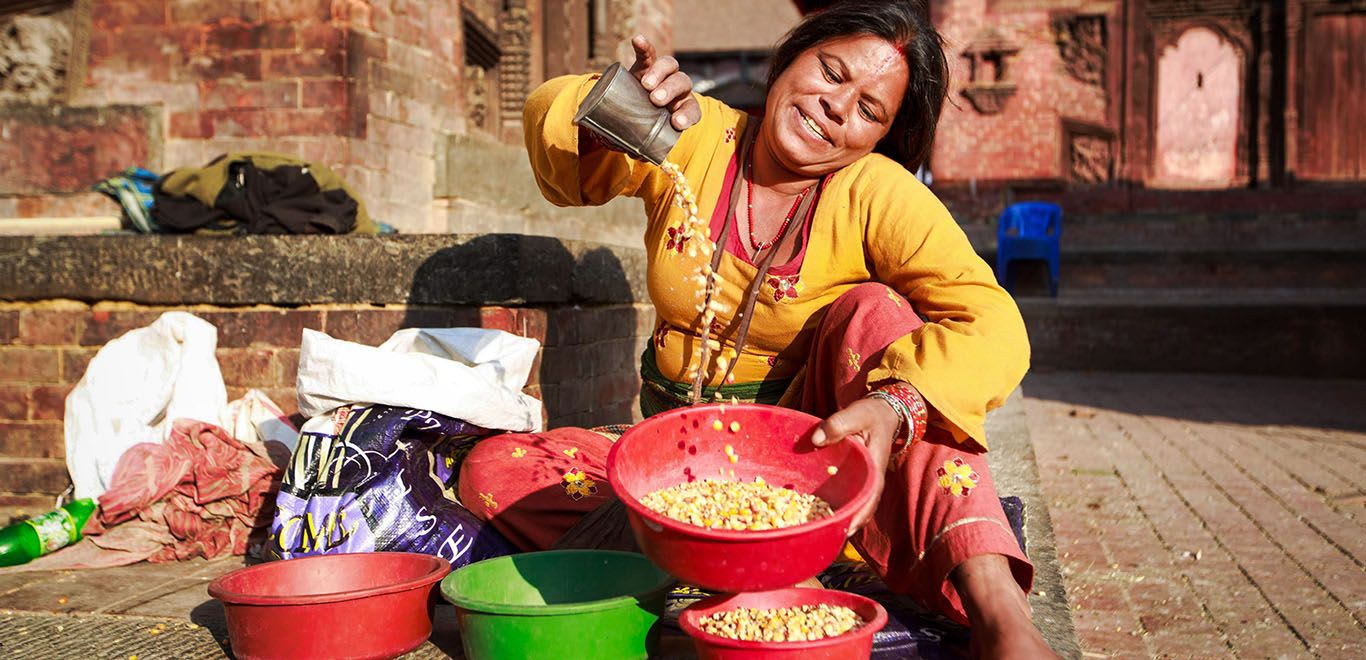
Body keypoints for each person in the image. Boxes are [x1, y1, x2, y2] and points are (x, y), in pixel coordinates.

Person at [459, 1, 1056, 656]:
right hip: (678, 464)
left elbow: (994, 322)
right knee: (495, 469)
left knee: (876, 314)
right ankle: (754, 555)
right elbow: (558, 131)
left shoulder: (876, 193)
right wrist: (611, 108)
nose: (836, 107)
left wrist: (896, 406)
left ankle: (1000, 611)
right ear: (792, 54)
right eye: (831, 72)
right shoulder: (697, 133)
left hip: (810, 464)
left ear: (880, 137)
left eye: (868, 110)